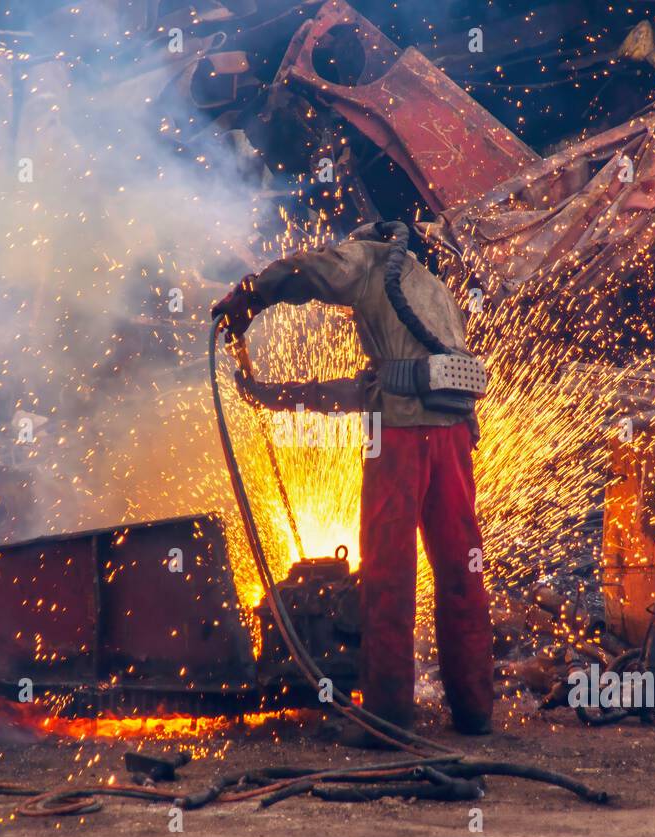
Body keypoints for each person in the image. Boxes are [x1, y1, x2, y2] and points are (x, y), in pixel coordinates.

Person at [211, 221, 493, 741]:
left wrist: (248, 296)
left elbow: (311, 271)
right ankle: (475, 712)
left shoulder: (370, 262)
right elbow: (371, 386)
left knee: (388, 575)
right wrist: (272, 396)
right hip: (454, 438)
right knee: (461, 572)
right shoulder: (434, 291)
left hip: (401, 439)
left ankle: (388, 718)